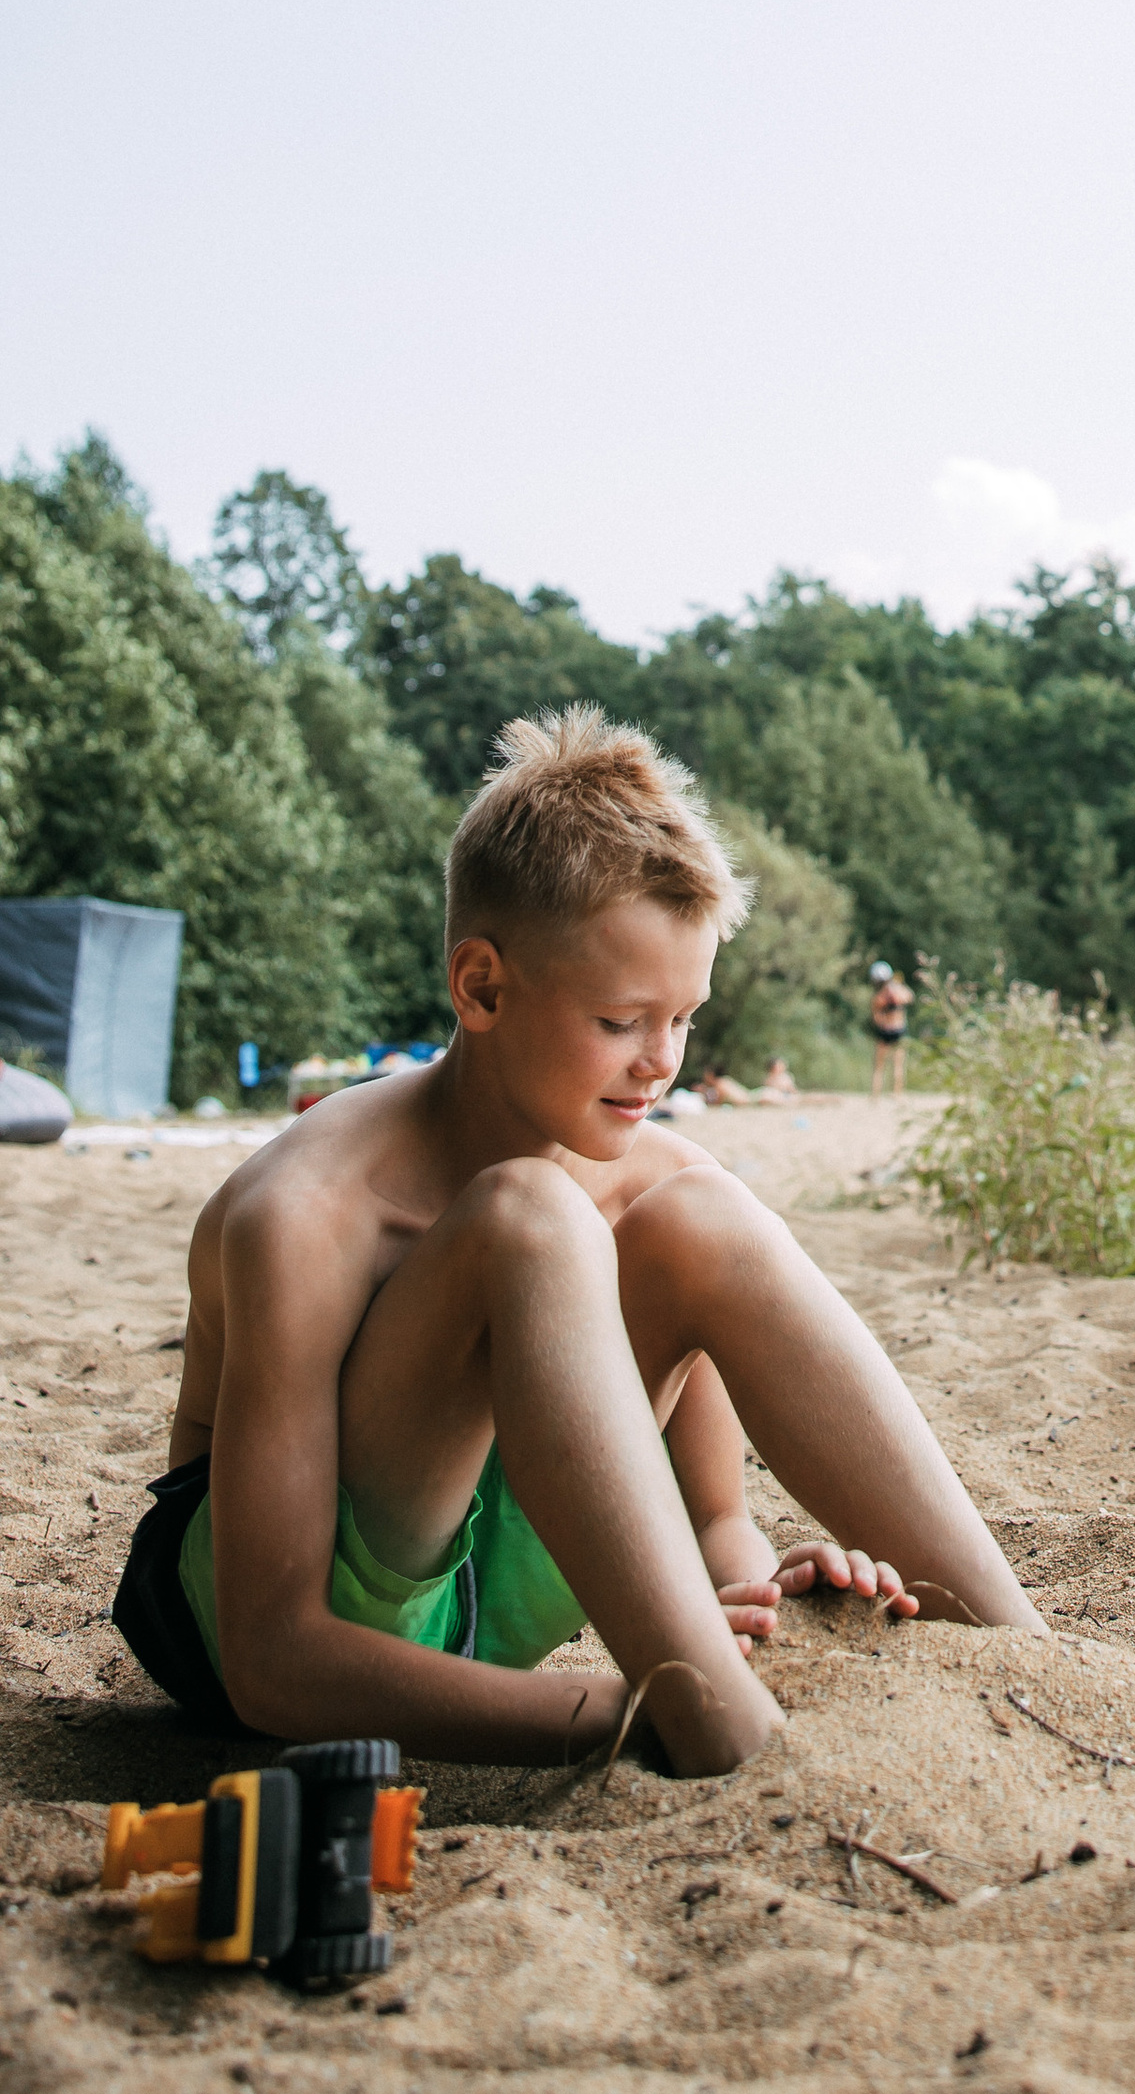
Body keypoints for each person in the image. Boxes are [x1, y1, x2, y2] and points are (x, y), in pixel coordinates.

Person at [113, 708, 1039, 1769]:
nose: (662, 1064)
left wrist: (746, 1584)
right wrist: (613, 1714)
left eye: (684, 1018)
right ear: (482, 987)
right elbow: (270, 1661)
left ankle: (1023, 1656)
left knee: (703, 1208)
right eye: (619, 1022)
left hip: (500, 1587)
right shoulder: (307, 1212)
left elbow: (713, 1520)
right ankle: (712, 1718)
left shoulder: (653, 1177)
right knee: (530, 1218)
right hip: (297, 1639)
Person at [868, 961, 915, 1099]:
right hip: (899, 1029)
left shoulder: (878, 997)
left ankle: (875, 1095)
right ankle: (897, 1093)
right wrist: (899, 985)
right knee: (898, 1065)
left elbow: (876, 1018)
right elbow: (910, 997)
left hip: (884, 1031)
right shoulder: (899, 992)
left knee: (879, 1066)